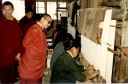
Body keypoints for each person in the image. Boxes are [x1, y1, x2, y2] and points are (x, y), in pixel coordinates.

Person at [18, 14, 52, 84]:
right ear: (42, 19)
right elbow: (24, 44)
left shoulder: (41, 29)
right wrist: (20, 55)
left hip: (37, 64)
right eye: (48, 22)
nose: (49, 25)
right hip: (31, 65)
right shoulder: (35, 29)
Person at [0, 1, 22, 84]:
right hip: (2, 55)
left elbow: (19, 38)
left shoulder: (15, 22)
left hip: (12, 54)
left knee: (11, 77)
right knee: (4, 77)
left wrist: (19, 52)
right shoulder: (1, 22)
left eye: (9, 9)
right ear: (2, 10)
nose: (7, 12)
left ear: (12, 10)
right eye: (5, 9)